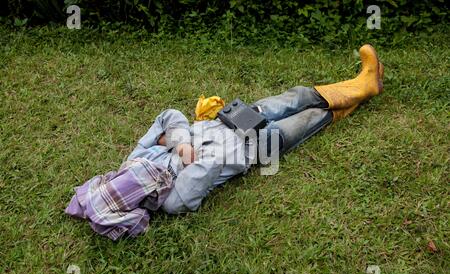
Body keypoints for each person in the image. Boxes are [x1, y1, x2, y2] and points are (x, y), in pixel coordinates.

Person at [128, 44, 384, 214]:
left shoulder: (136, 161)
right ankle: (364, 88)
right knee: (311, 118)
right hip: (260, 146)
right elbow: (212, 162)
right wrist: (175, 145)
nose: (128, 182)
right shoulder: (172, 201)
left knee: (296, 97)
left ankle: (362, 83)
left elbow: (170, 116)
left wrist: (179, 142)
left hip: (234, 119)